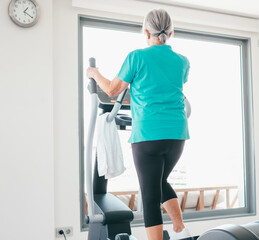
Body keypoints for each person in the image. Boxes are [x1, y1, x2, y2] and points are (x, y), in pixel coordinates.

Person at [87, 9, 191, 240]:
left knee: (150, 195)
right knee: (160, 180)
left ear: (146, 32)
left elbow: (112, 90)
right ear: (171, 32)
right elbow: (168, 85)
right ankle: (179, 227)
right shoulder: (182, 61)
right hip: (177, 135)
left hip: (148, 135)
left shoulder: (137, 57)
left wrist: (94, 73)